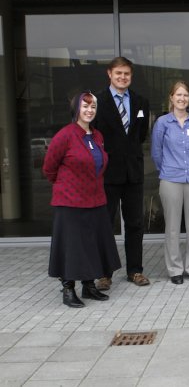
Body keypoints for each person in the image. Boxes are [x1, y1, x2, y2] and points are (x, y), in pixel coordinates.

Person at [44, 92, 122, 308]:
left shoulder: (97, 136)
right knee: (72, 246)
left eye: (93, 107)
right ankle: (68, 288)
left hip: (95, 199)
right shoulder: (65, 135)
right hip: (70, 202)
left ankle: (89, 286)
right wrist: (66, 186)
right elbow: (49, 168)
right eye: (85, 107)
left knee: (91, 244)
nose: (89, 111)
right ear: (76, 109)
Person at [94, 57, 150, 290]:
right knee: (106, 223)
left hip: (133, 174)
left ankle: (135, 270)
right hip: (107, 174)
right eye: (118, 73)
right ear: (109, 74)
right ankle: (104, 274)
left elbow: (141, 135)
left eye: (126, 73)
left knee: (135, 224)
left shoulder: (140, 102)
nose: (122, 77)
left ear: (131, 75)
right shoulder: (98, 101)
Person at [151, 81, 189, 285]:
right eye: (178, 95)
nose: (182, 99)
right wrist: (168, 169)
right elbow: (156, 152)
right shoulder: (162, 123)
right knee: (172, 227)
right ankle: (174, 269)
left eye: (185, 95)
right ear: (171, 98)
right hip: (170, 178)